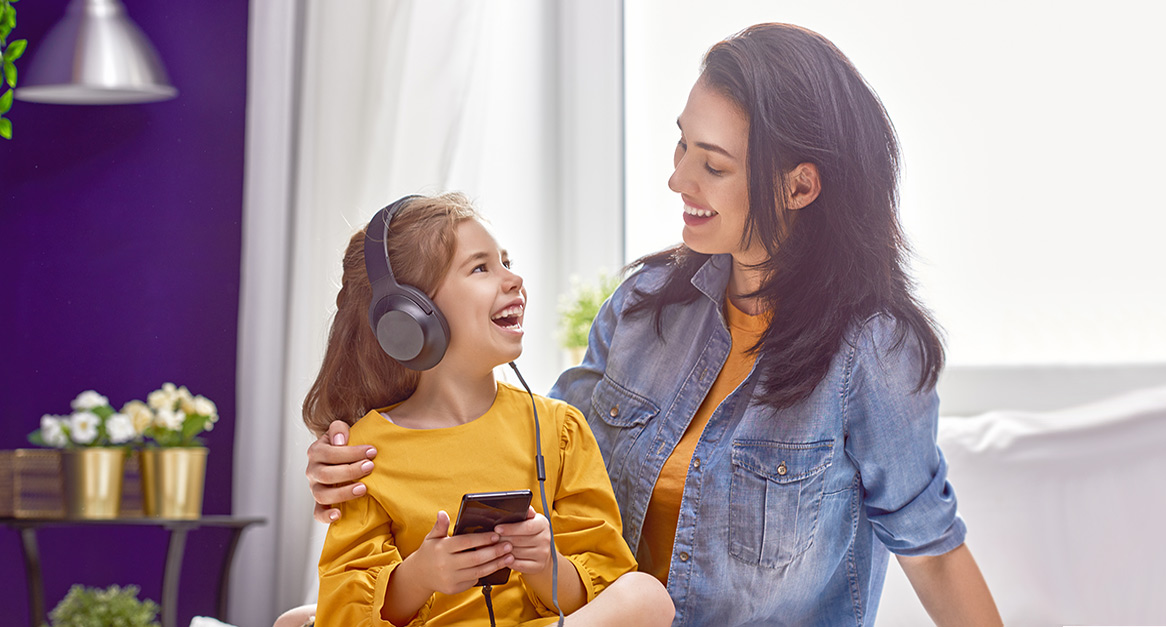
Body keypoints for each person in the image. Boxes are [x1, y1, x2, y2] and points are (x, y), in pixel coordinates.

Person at [307, 24, 1002, 626]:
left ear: (800, 186)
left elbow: (934, 554)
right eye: (682, 148)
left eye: (714, 165)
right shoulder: (643, 308)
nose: (678, 181)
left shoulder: (870, 353)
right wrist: (358, 461)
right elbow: (526, 454)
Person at [304, 193, 674, 627]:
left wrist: (544, 565)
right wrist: (421, 575)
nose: (513, 278)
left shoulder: (559, 429)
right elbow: (344, 611)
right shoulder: (362, 455)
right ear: (411, 315)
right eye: (481, 268)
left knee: (645, 595)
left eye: (506, 261)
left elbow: (602, 587)